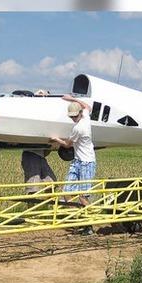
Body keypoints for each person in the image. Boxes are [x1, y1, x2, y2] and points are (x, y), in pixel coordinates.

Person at [50, 95, 96, 235]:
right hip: (77, 161)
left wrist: (56, 138)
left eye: (74, 116)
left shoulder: (79, 128)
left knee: (83, 196)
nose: (73, 119)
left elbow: (67, 144)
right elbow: (87, 107)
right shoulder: (86, 117)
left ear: (79, 115)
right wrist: (72, 99)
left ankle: (89, 226)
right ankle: (78, 218)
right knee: (66, 192)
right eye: (71, 117)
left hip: (86, 163)